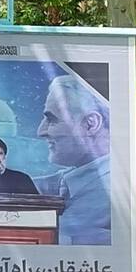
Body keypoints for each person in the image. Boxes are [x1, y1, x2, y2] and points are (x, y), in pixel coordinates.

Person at [36, 74, 112, 245]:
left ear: (90, 124)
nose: (40, 131)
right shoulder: (74, 179)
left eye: (51, 119)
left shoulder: (108, 195)